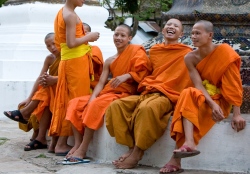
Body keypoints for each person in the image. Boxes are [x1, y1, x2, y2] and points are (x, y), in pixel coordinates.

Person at [159, 20, 246, 174]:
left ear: (210, 35)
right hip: (206, 97)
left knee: (188, 107)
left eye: (198, 33)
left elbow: (234, 85)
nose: (193, 36)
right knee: (187, 93)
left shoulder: (225, 53)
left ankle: (176, 159)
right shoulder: (190, 58)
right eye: (192, 33)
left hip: (222, 100)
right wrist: (211, 104)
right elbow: (198, 85)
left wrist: (237, 114)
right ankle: (189, 143)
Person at [105, 19, 193, 169]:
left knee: (147, 109)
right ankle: (131, 148)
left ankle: (138, 152)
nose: (171, 27)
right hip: (148, 91)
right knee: (116, 106)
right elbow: (145, 73)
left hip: (167, 95)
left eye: (176, 26)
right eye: (168, 25)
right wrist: (130, 76)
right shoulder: (154, 50)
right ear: (163, 30)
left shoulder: (187, 53)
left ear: (181, 33)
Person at [63, 24, 152, 164]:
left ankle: (83, 149)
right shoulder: (110, 60)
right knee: (74, 103)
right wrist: (92, 97)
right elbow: (101, 83)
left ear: (129, 38)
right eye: (116, 34)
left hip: (126, 93)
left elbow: (144, 73)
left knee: (96, 105)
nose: (118, 38)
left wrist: (128, 75)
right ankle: (77, 143)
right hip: (109, 91)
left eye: (123, 35)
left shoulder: (136, 51)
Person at [48, 0, 100, 156]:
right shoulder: (70, 15)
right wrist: (89, 37)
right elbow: (70, 43)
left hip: (71, 60)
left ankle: (61, 143)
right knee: (77, 101)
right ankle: (75, 144)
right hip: (75, 60)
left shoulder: (63, 12)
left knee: (70, 99)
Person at [4, 33, 60, 152]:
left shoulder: (68, 57)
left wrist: (52, 80)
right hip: (50, 92)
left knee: (45, 92)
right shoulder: (50, 58)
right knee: (42, 99)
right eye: (48, 46)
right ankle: (39, 137)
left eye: (54, 43)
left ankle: (25, 114)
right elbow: (40, 78)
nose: (52, 47)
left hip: (62, 90)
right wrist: (29, 98)